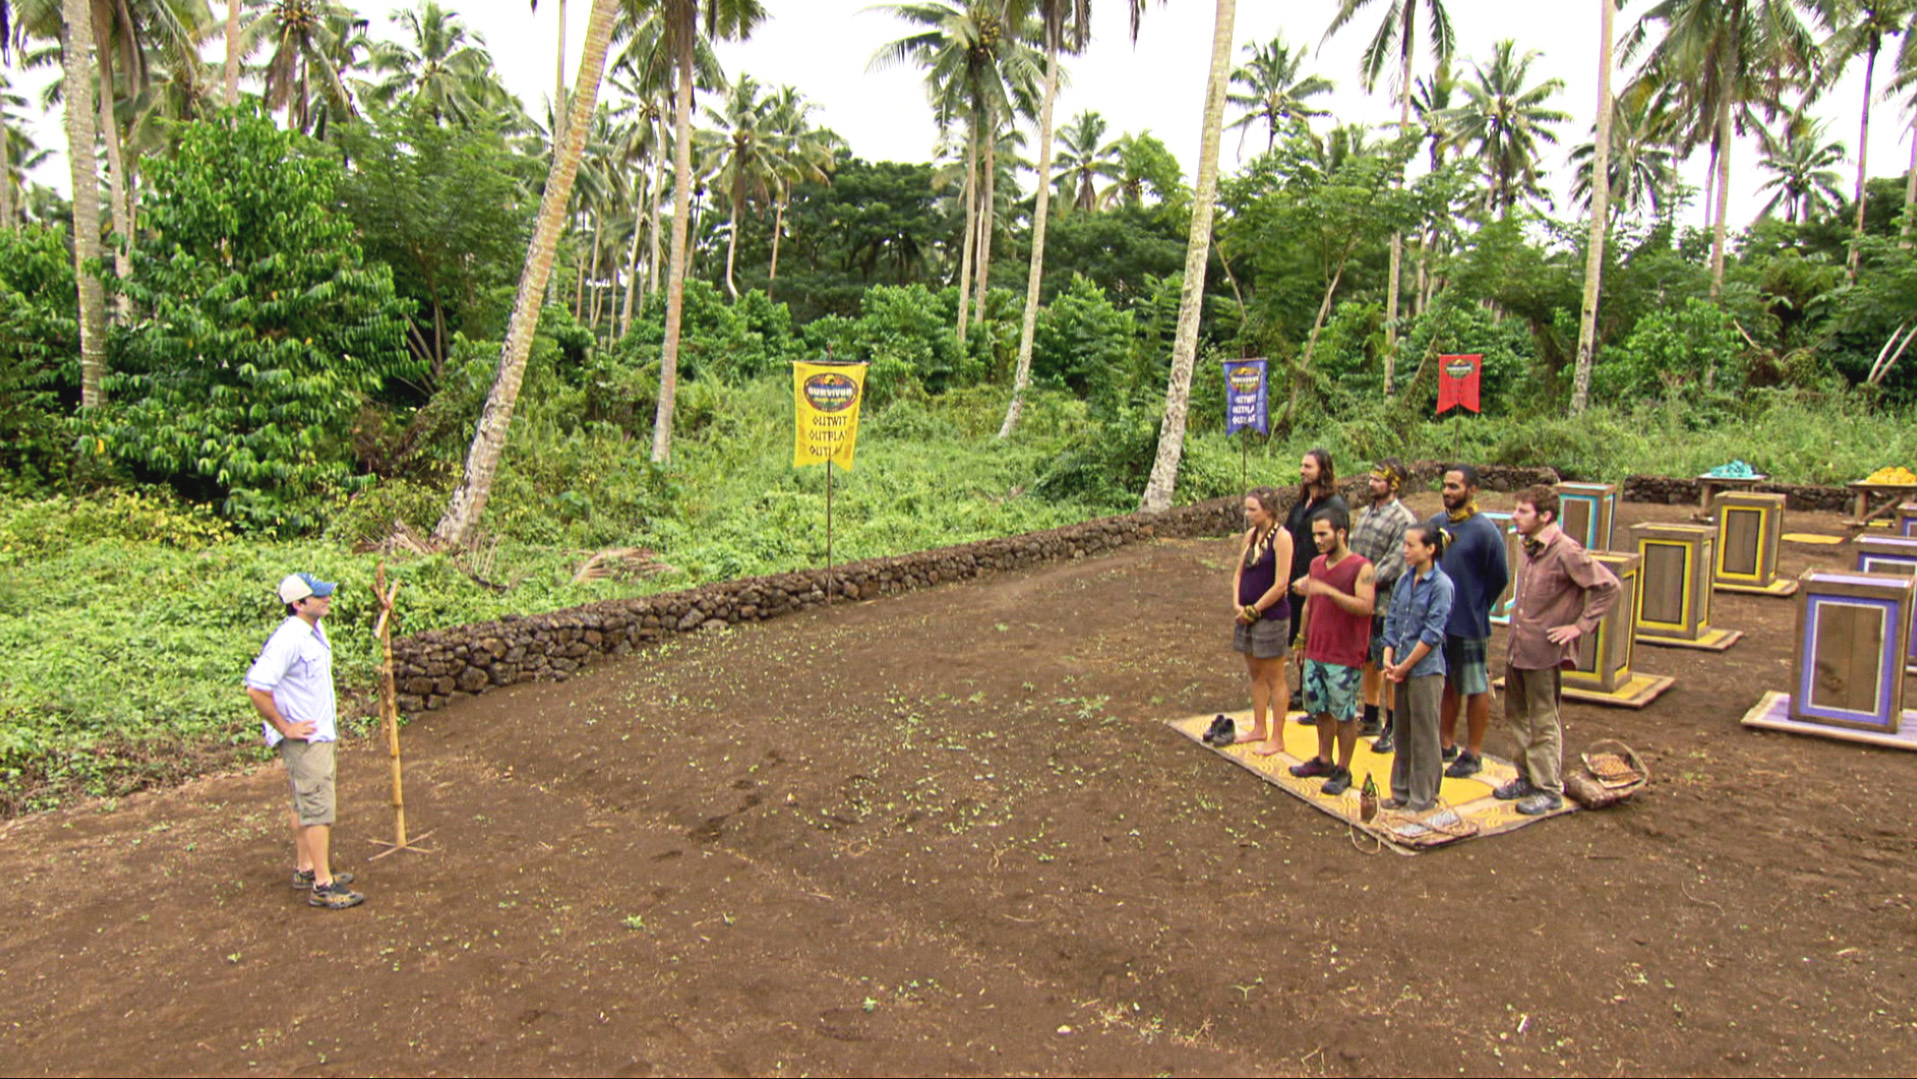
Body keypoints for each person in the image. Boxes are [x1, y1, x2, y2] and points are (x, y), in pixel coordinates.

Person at [246, 572, 365, 910]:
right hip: (306, 739)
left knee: (304, 803)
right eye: (320, 596)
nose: (327, 599)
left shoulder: (313, 630)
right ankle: (323, 885)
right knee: (318, 809)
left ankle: (305, 868)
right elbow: (256, 688)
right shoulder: (289, 639)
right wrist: (284, 727)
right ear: (298, 604)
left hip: (319, 733)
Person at [1501, 485, 1620, 815]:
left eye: (1523, 511)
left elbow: (1608, 586)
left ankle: (1548, 788)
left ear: (1545, 516)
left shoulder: (1566, 551)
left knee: (1543, 719)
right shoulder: (1528, 546)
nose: (1515, 516)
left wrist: (1579, 627)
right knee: (1516, 716)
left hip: (1544, 650)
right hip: (1519, 647)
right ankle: (1526, 777)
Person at [1425, 465, 1509, 779]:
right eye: (1445, 486)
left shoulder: (1485, 531)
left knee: (1475, 686)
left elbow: (1499, 576)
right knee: (1446, 682)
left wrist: (1476, 604)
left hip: (1470, 623)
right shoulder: (1435, 524)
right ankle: (1445, 741)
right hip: (1438, 623)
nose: (1447, 492)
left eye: (1455, 486)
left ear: (1472, 490)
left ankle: (1473, 752)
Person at [1287, 506, 1375, 796]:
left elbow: (1365, 606)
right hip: (1317, 650)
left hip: (1344, 654)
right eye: (1315, 535)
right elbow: (1310, 605)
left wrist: (1327, 590)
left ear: (1341, 533)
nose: (1318, 540)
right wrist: (1302, 640)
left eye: (1323, 534)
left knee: (1344, 713)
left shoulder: (1361, 567)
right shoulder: (1316, 564)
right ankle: (1324, 759)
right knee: (1320, 709)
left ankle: (1344, 768)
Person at [1381, 524, 1454, 813]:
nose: (1405, 550)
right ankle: (1401, 792)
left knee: (1424, 735)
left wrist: (1405, 665)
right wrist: (1389, 654)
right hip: (1401, 665)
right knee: (1402, 732)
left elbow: (1432, 633)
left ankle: (1422, 797)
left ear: (1430, 549)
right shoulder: (1404, 580)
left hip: (1425, 670)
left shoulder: (1441, 586)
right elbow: (1393, 618)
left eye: (1411, 545)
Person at [1349, 457, 1418, 751]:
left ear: (1393, 485)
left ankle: (1393, 725)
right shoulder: (1366, 513)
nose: (1371, 483)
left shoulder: (1404, 519)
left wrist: (1362, 582)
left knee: (1387, 662)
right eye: (1371, 478)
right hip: (1362, 601)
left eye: (1378, 480)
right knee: (1367, 661)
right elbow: (1353, 550)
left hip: (1385, 605)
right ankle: (1372, 713)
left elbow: (1395, 562)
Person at [1230, 488, 1295, 756]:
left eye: (1252, 510)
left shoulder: (1282, 538)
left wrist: (1255, 609)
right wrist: (1237, 603)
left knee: (1274, 676)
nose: (1247, 514)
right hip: (1246, 613)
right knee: (1255, 672)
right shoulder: (1250, 536)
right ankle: (1259, 726)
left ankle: (1277, 736)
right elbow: (1238, 573)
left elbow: (1281, 583)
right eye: (1246, 509)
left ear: (1268, 510)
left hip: (1270, 616)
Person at [1284, 448, 1346, 717]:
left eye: (1308, 466)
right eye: (1302, 465)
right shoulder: (1302, 503)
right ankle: (1305, 690)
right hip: (1295, 581)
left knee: (1318, 637)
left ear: (1323, 470)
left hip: (1318, 581)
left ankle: (1320, 697)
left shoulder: (1333, 506)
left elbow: (1339, 548)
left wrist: (1314, 577)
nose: (1302, 471)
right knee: (1300, 635)